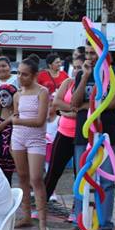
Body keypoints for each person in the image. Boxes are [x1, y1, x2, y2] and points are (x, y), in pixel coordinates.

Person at [65, 44, 115, 230]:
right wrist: (84, 77)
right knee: (82, 178)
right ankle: (79, 221)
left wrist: (87, 106)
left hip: (107, 133)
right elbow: (73, 104)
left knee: (106, 180)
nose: (90, 56)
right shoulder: (82, 73)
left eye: (94, 53)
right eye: (87, 53)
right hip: (84, 133)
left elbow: (113, 102)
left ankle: (105, 225)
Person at [9, 57, 52, 230]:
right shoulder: (17, 94)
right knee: (23, 177)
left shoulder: (43, 92)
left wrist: (17, 121)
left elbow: (40, 120)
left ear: (34, 75)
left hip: (36, 139)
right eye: (18, 73)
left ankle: (42, 222)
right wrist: (15, 121)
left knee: (36, 179)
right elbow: (15, 115)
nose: (20, 77)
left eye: (25, 74)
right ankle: (26, 216)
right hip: (18, 137)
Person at [44, 75, 77, 206]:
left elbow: (86, 111)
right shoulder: (69, 82)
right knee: (53, 171)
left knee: (79, 174)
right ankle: (42, 206)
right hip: (64, 132)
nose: (78, 70)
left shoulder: (94, 84)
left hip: (82, 135)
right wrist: (71, 111)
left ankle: (77, 208)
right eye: (76, 67)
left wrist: (64, 111)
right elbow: (57, 103)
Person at [0, 83, 17, 184]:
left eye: (5, 96)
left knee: (8, 179)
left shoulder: (18, 111)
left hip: (11, 153)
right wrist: (7, 121)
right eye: (0, 96)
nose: (2, 99)